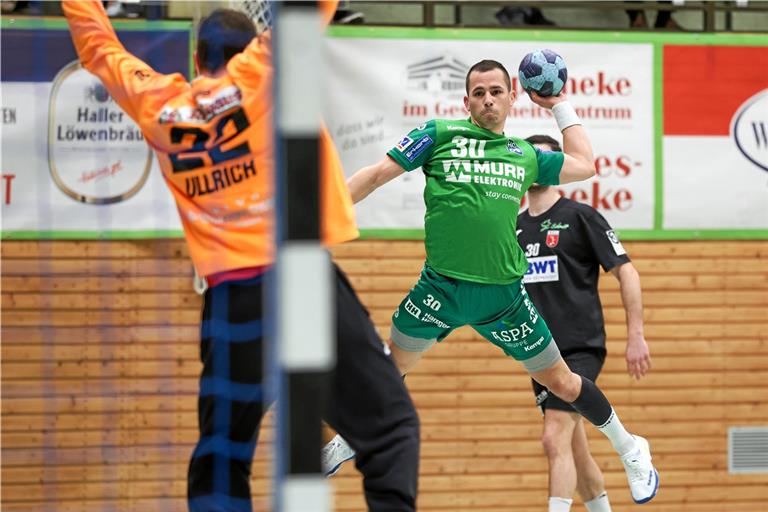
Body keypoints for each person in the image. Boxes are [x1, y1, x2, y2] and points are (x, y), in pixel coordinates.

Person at [62, 2, 420, 511]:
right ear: (248, 46)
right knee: (391, 428)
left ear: (195, 54)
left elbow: (98, 47)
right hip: (300, 283)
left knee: (222, 455)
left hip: (230, 303)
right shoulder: (261, 69)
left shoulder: (159, 105)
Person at [323, 59, 659, 506]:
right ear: (466, 101)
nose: (487, 99)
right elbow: (376, 174)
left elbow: (585, 164)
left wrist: (558, 103)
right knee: (389, 371)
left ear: (511, 97)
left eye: (496, 91)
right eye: (478, 92)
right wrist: (320, 214)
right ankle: (351, 435)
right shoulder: (438, 135)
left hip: (502, 300)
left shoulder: (524, 155)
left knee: (563, 383)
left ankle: (630, 447)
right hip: (439, 290)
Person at [518, 134, 652, 512]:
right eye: (533, 158)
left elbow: (627, 273)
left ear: (558, 165)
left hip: (579, 348)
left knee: (552, 437)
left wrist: (636, 336)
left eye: (547, 158)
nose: (539, 164)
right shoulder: (514, 228)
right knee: (575, 450)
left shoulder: (580, 216)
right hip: (539, 354)